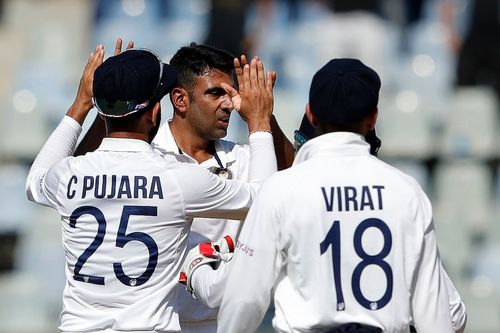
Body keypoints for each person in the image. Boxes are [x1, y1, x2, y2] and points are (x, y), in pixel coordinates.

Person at [25, 44, 277, 332]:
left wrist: (80, 106)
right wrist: (259, 123)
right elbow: (263, 200)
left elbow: (35, 181)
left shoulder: (68, 174)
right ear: (155, 111)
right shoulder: (178, 178)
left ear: (102, 111)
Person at [217, 58, 463, 333]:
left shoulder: (280, 190)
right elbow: (445, 319)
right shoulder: (407, 193)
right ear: (373, 118)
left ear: (311, 113)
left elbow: (245, 300)